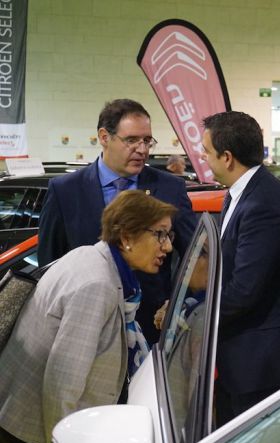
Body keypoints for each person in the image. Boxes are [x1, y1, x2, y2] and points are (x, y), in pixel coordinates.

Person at [0, 190, 176, 443]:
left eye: (169, 236)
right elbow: (63, 382)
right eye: (160, 234)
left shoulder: (90, 257)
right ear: (127, 237)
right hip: (34, 435)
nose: (167, 247)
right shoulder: (98, 285)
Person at [38, 99, 196, 344]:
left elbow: (194, 256)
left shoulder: (170, 188)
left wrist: (179, 303)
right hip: (84, 327)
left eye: (147, 141)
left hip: (152, 329)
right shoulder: (65, 191)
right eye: (132, 140)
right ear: (104, 136)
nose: (142, 150)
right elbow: (50, 264)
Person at [200, 111, 280, 425]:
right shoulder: (241, 194)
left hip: (262, 364)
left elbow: (243, 291)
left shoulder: (263, 204)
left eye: (207, 152)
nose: (205, 159)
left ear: (228, 157)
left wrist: (193, 315)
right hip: (243, 358)